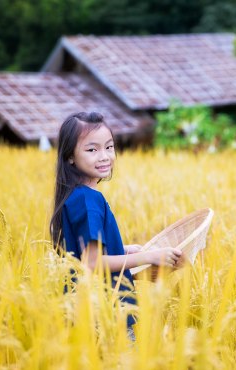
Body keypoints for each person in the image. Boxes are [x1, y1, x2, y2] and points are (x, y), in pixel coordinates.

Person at [50, 112, 183, 341]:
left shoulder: (77, 196)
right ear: (70, 156)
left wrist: (123, 248)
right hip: (107, 317)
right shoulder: (88, 201)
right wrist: (151, 256)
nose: (104, 156)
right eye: (92, 150)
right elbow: (92, 262)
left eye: (109, 147)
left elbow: (84, 251)